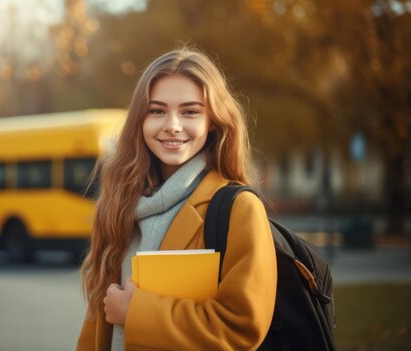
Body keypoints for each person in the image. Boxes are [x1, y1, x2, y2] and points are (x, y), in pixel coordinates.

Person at [76, 48, 277, 351]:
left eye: (190, 111)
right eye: (157, 110)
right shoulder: (120, 204)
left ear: (213, 121)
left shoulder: (239, 209)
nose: (172, 124)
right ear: (139, 121)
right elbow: (95, 327)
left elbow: (241, 327)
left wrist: (136, 313)